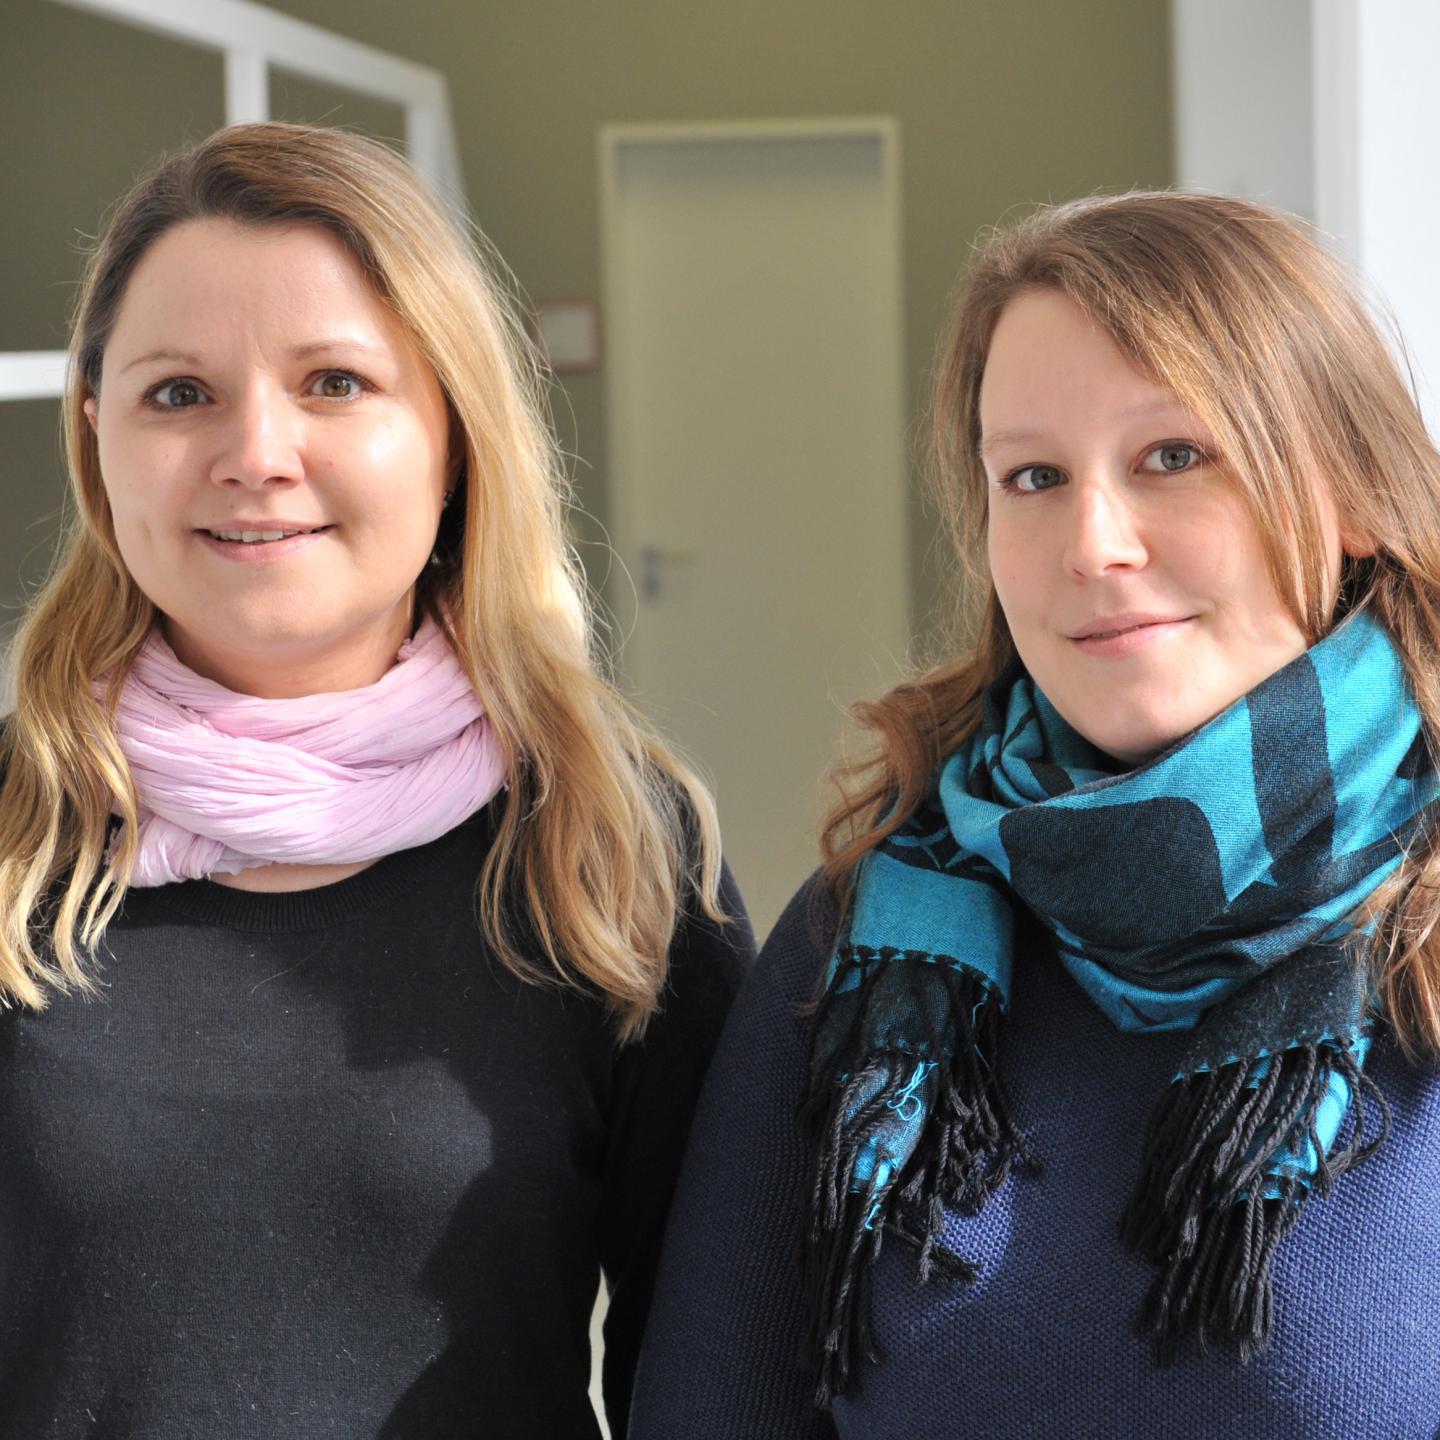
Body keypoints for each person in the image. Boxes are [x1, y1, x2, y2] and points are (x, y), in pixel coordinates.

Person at [629, 192, 1440, 1438]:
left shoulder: (1420, 933)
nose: (1091, 542)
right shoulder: (859, 940)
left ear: (1354, 498)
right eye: (1033, 477)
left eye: (1174, 456)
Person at [0, 122, 751, 1439]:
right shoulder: (15, 831)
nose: (256, 453)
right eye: (180, 393)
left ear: (454, 433)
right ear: (96, 440)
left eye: (335, 383)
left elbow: (711, 1379)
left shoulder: (612, 843)